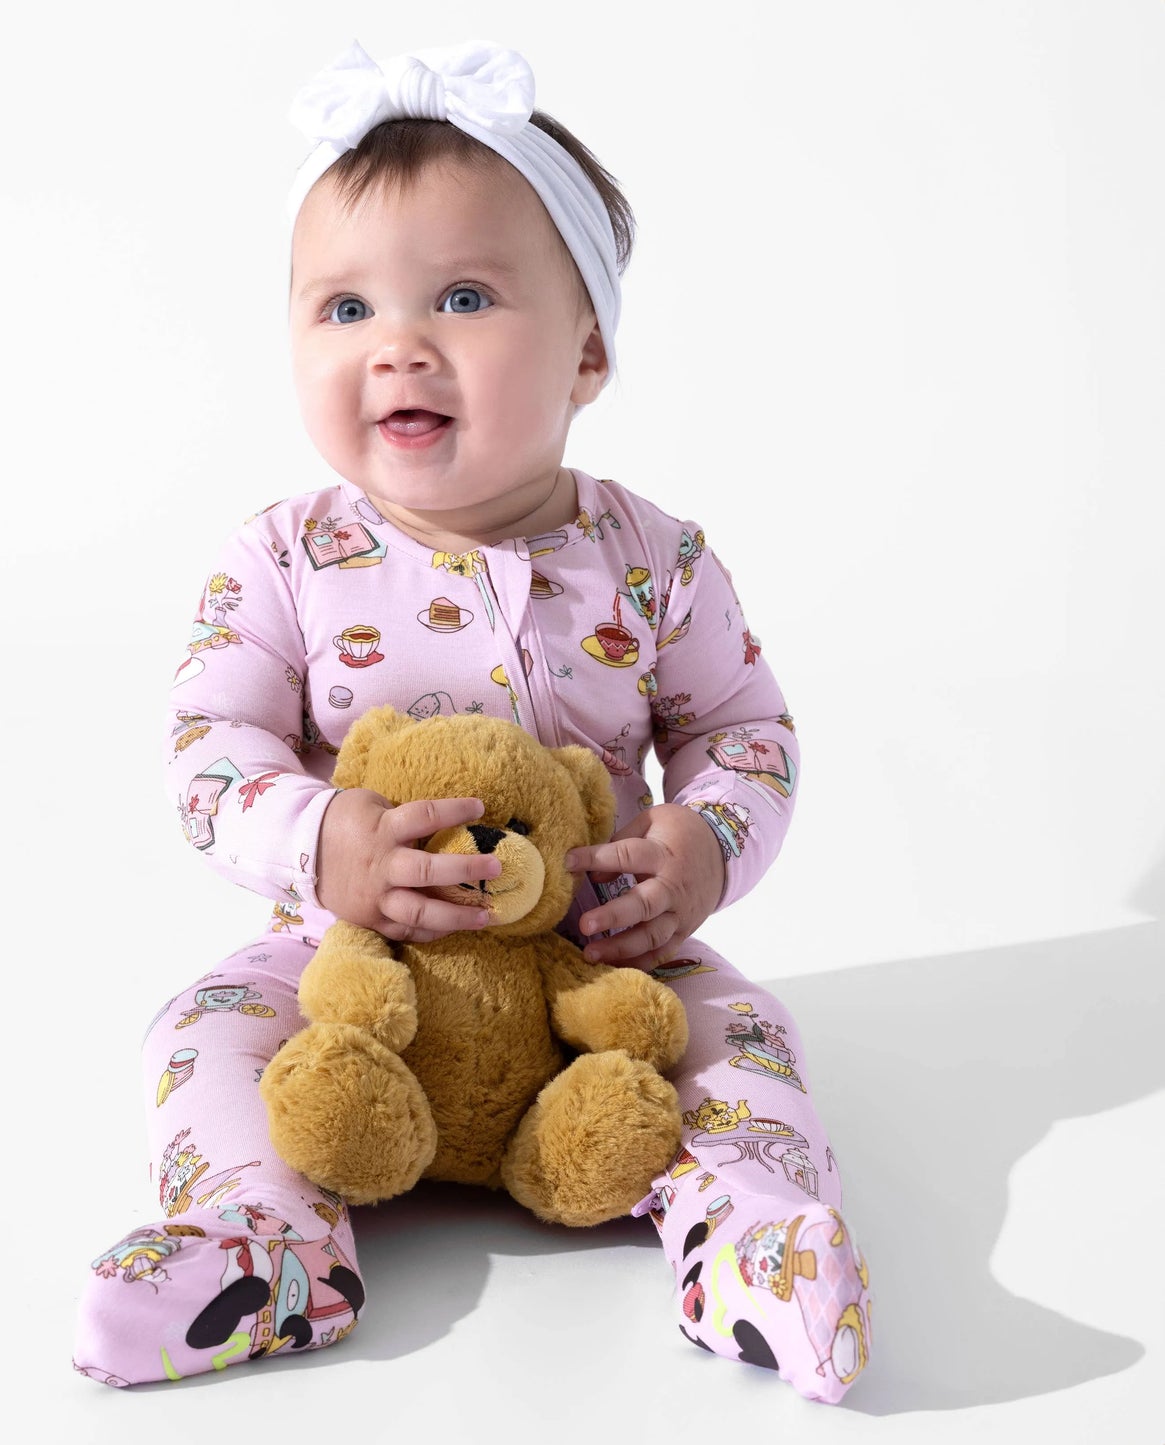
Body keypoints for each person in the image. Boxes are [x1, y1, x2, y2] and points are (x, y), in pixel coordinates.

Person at [73, 38, 872, 1403]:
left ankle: (745, 1245)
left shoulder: (655, 559)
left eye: (461, 296)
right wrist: (322, 841)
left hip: (594, 958)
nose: (398, 344)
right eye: (343, 307)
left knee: (744, 1038)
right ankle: (266, 1243)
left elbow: (745, 730)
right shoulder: (284, 559)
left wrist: (701, 850)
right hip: (346, 966)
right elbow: (210, 747)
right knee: (198, 1030)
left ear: (586, 350)